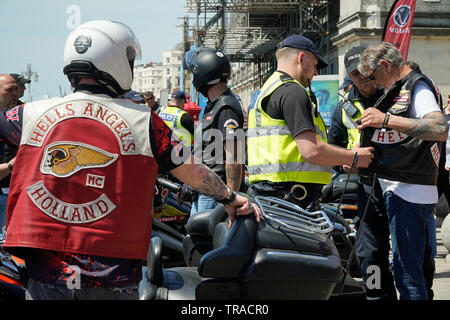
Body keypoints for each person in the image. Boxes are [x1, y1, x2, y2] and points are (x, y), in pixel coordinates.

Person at [2, 20, 260, 301]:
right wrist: (230, 197)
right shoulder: (144, 121)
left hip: (45, 275)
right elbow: (193, 171)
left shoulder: (28, 114)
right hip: (112, 275)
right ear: (116, 62)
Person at [357, 41, 448, 300]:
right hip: (398, 189)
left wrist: (384, 119)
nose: (374, 83)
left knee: (408, 277)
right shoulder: (400, 88)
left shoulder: (417, 86)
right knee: (410, 272)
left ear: (385, 66)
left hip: (408, 191)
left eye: (374, 76)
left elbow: (439, 129)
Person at [246, 34, 374, 210]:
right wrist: (356, 157)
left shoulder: (268, 89)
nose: (315, 72)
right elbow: (311, 150)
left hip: (271, 193)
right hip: (293, 196)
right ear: (301, 58)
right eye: (314, 65)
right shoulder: (293, 92)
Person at [328, 45, 396, 300]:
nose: (363, 76)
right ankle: (378, 295)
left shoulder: (395, 95)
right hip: (365, 187)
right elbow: (332, 149)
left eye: (366, 70)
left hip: (400, 184)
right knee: (371, 253)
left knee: (408, 252)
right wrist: (343, 162)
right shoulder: (343, 107)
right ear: (349, 76)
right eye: (356, 73)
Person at [183, 47, 246, 216]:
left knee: (206, 240)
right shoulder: (215, 105)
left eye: (195, 74)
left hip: (215, 193)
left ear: (204, 74)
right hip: (205, 189)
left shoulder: (225, 107)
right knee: (196, 238)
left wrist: (231, 199)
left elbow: (234, 157)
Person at [0, 74, 19, 234]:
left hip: (15, 196)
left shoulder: (18, 118)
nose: (15, 94)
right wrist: (14, 164)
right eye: (9, 90)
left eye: (16, 89)